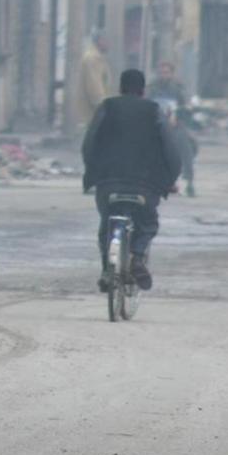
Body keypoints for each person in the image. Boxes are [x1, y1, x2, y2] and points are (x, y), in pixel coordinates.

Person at [81, 68, 184, 292]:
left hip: (109, 183)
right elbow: (172, 151)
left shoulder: (107, 107)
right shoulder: (154, 111)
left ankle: (107, 270)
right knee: (147, 223)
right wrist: (170, 179)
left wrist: (93, 172)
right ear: (142, 90)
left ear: (120, 88)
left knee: (106, 224)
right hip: (145, 186)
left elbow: (89, 145)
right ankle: (137, 257)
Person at [145, 59, 196, 196]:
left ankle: (189, 182)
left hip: (175, 126)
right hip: (155, 127)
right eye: (161, 72)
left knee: (187, 147)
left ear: (172, 74)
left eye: (166, 72)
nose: (164, 75)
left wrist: (177, 116)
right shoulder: (151, 88)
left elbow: (186, 108)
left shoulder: (178, 89)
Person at [73, 34, 113, 130]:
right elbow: (94, 86)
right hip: (92, 113)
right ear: (100, 41)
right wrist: (103, 107)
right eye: (107, 41)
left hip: (93, 113)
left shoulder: (96, 57)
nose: (109, 45)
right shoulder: (93, 59)